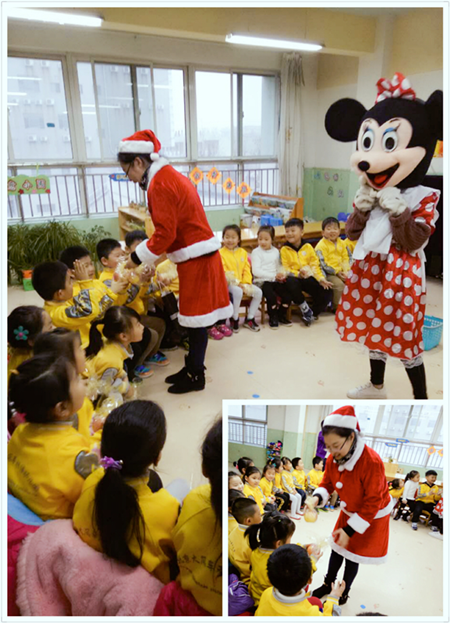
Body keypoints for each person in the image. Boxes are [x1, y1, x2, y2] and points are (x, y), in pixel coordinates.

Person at [120, 129, 232, 394]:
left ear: (138, 162)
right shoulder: (167, 177)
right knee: (193, 320)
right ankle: (192, 366)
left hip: (198, 259)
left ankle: (196, 376)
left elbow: (165, 234)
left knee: (196, 322)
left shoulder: (160, 184)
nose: (130, 178)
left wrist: (135, 259)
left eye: (128, 172)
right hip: (195, 256)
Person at [73, 401, 180, 584]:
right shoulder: (168, 509)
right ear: (157, 457)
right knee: (181, 485)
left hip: (96, 575)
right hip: (150, 590)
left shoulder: (92, 481)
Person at [310, 406, 394, 606]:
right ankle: (328, 583)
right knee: (337, 549)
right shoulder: (332, 457)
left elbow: (372, 502)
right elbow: (328, 483)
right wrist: (315, 498)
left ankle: (343, 591)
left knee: (352, 555)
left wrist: (349, 529)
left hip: (370, 516)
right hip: (350, 510)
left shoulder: (371, 462)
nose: (331, 452)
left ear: (351, 437)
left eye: (336, 445)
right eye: (327, 446)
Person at [8, 353, 98, 520]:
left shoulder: (21, 431)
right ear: (62, 408)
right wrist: (101, 437)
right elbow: (91, 496)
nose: (84, 381)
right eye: (77, 380)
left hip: (30, 506)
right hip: (61, 521)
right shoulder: (70, 455)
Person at [171, 418, 222, 615]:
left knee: (180, 484)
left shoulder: (194, 500)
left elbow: (173, 543)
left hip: (188, 599)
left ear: (204, 468)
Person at [32, 260, 124, 350]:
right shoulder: (56, 315)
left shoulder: (64, 302)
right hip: (82, 352)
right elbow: (89, 311)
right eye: (70, 282)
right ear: (60, 294)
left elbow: (95, 314)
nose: (73, 284)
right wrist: (85, 282)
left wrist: (111, 293)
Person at [33, 328, 98, 445]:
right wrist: (97, 433)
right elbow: (82, 444)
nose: (84, 351)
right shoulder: (72, 406)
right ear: (64, 361)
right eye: (79, 348)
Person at [125, 230, 186, 353]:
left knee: (168, 310)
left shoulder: (148, 264)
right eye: (138, 247)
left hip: (148, 304)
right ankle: (159, 346)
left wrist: (157, 289)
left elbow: (150, 289)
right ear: (127, 249)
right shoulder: (129, 270)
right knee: (163, 319)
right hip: (137, 309)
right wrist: (150, 284)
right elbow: (139, 292)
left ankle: (173, 339)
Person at [255, 544, 344, 616]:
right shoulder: (310, 614)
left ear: (270, 580)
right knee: (316, 602)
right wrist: (333, 598)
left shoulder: (266, 594)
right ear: (309, 580)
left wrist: (312, 558)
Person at [280, 218, 333, 324]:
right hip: (294, 278)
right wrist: (298, 274)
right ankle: (305, 308)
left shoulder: (308, 247)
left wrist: (321, 279)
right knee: (291, 282)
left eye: (293, 230)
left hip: (308, 277)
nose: (289, 234)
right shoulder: (284, 249)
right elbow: (285, 269)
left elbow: (315, 265)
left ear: (302, 232)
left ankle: (312, 314)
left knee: (327, 290)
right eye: (287, 231)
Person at [86, 306, 145, 399]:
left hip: (96, 381)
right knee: (117, 398)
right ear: (124, 336)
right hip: (87, 393)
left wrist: (123, 377)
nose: (142, 327)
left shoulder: (111, 345)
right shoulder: (112, 361)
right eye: (138, 325)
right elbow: (102, 389)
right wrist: (126, 387)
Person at [245, 511, 296, 606]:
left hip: (255, 593)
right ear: (279, 543)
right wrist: (312, 560)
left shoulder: (256, 551)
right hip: (267, 603)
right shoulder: (279, 563)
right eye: (289, 539)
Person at [219, 224, 263, 333]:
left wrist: (246, 283)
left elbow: (246, 269)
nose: (230, 240)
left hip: (243, 282)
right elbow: (224, 272)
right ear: (223, 238)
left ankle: (250, 318)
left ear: (238, 239)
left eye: (233, 237)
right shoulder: (220, 253)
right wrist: (237, 283)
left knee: (258, 292)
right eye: (227, 237)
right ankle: (234, 318)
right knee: (237, 291)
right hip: (229, 283)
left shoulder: (242, 252)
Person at [251, 225, 293, 329]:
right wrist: (273, 276)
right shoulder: (256, 252)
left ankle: (281, 315)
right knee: (271, 296)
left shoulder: (275, 251)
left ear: (272, 239)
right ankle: (272, 316)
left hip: (275, 280)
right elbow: (256, 271)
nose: (263, 242)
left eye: (266, 239)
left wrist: (280, 274)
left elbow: (278, 266)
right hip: (262, 281)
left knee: (287, 295)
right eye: (260, 239)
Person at [7, 306, 54, 382]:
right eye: (49, 327)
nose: (53, 328)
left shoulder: (17, 349)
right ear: (32, 341)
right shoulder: (34, 366)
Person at [314, 217, 350, 311]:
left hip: (343, 271)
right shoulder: (321, 246)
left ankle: (350, 306)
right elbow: (323, 264)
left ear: (339, 231)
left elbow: (348, 257)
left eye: (335, 228)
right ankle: (337, 308)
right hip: (329, 273)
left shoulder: (342, 243)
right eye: (329, 229)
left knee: (353, 281)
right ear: (323, 232)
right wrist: (337, 272)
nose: (332, 231)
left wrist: (346, 270)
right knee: (339, 285)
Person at [229, 497, 262, 585]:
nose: (261, 516)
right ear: (249, 520)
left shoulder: (233, 531)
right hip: (250, 581)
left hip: (238, 573)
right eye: (259, 514)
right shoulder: (252, 541)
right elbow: (259, 569)